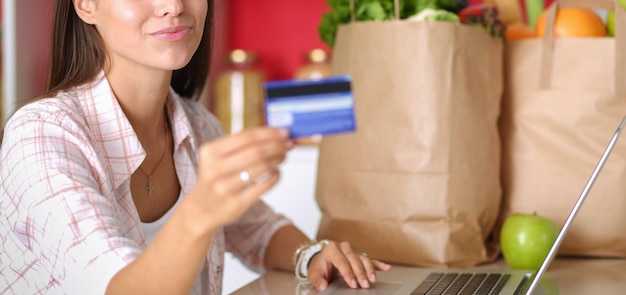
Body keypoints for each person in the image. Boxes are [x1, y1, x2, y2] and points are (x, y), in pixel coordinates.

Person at [0, 0, 391, 294]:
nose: (173, 6)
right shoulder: (41, 135)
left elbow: (257, 229)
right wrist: (201, 211)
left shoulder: (198, 124)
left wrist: (312, 256)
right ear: (86, 4)